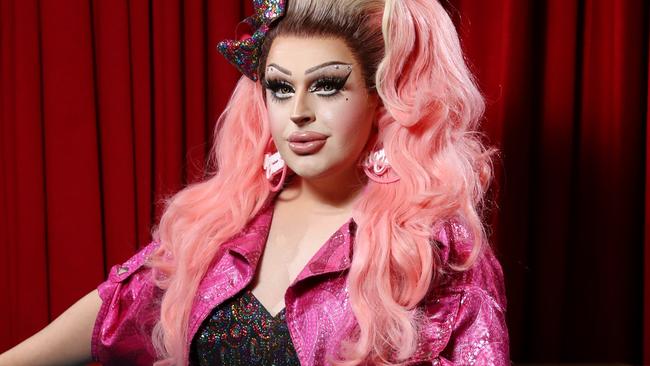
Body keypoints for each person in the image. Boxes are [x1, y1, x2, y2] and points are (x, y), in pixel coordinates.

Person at [0, 0, 509, 364]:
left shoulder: (432, 247)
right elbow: (117, 308)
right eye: (280, 88)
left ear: (382, 97)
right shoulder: (224, 222)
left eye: (327, 85)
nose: (299, 113)